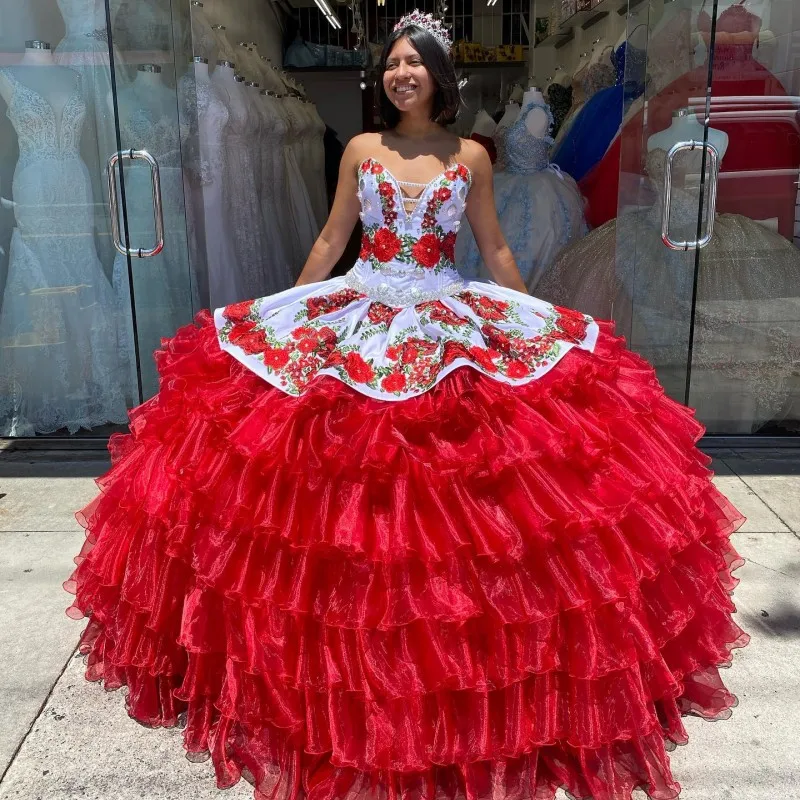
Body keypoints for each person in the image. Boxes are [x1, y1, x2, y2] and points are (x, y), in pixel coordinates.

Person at [65, 11, 748, 800]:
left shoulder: (471, 157)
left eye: (414, 63)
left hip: (447, 308)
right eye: (391, 63)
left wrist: (534, 325)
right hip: (364, 303)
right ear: (381, 77)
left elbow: (492, 249)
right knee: (329, 488)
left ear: (438, 76)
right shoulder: (360, 150)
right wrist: (286, 312)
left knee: (474, 494)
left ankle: (459, 668)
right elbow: (332, 241)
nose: (401, 74)